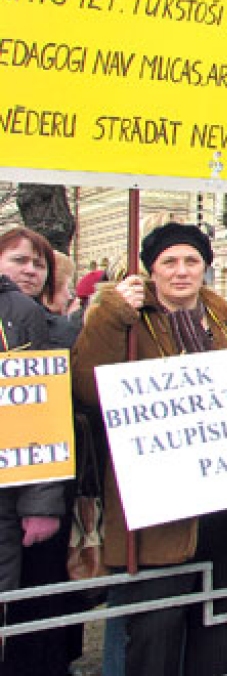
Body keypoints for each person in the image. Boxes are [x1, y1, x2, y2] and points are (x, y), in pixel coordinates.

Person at [71, 222, 227, 676]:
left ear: (206, 267)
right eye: (169, 262)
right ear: (152, 270)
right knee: (155, 642)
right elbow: (88, 389)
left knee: (220, 643)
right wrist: (111, 314)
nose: (181, 271)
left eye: (191, 261)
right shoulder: (128, 323)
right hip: (162, 521)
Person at [0, 229, 66, 676]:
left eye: (38, 264)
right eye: (19, 260)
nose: (29, 270)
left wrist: (40, 504)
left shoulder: (22, 315)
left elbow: (40, 411)